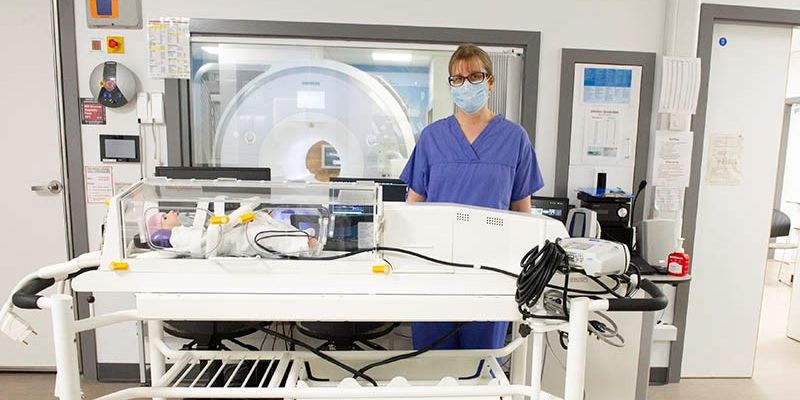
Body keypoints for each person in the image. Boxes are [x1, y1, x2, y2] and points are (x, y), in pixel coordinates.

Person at [399, 44, 544, 350]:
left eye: (475, 76)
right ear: (451, 85)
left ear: (490, 82)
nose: (466, 85)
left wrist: (522, 272)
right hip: (436, 268)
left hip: (491, 272)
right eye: (458, 79)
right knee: (432, 363)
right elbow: (414, 207)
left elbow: (522, 214)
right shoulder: (432, 138)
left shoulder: (514, 139)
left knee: (482, 365)